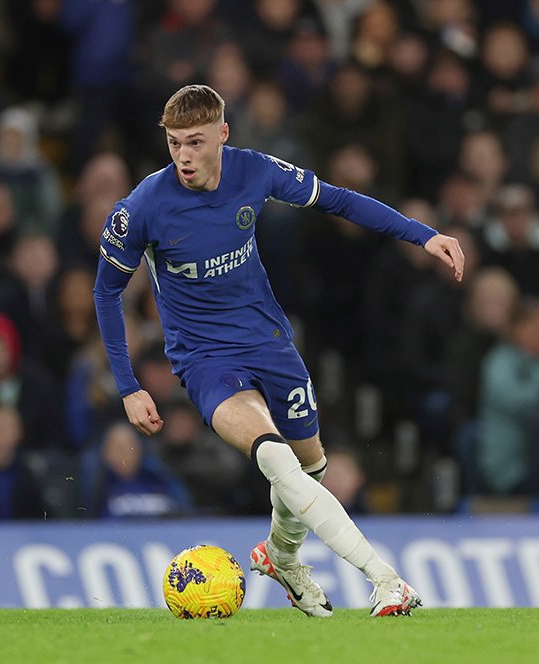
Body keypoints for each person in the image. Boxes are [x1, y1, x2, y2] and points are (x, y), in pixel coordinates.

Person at [93, 84, 465, 617]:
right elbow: (106, 291)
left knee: (310, 466)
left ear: (222, 134)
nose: (183, 156)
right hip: (204, 359)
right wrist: (128, 386)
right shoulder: (143, 207)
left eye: (195, 142)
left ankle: (282, 558)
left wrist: (421, 235)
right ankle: (385, 579)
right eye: (174, 143)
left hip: (268, 341)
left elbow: (338, 198)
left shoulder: (256, 171)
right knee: (275, 457)